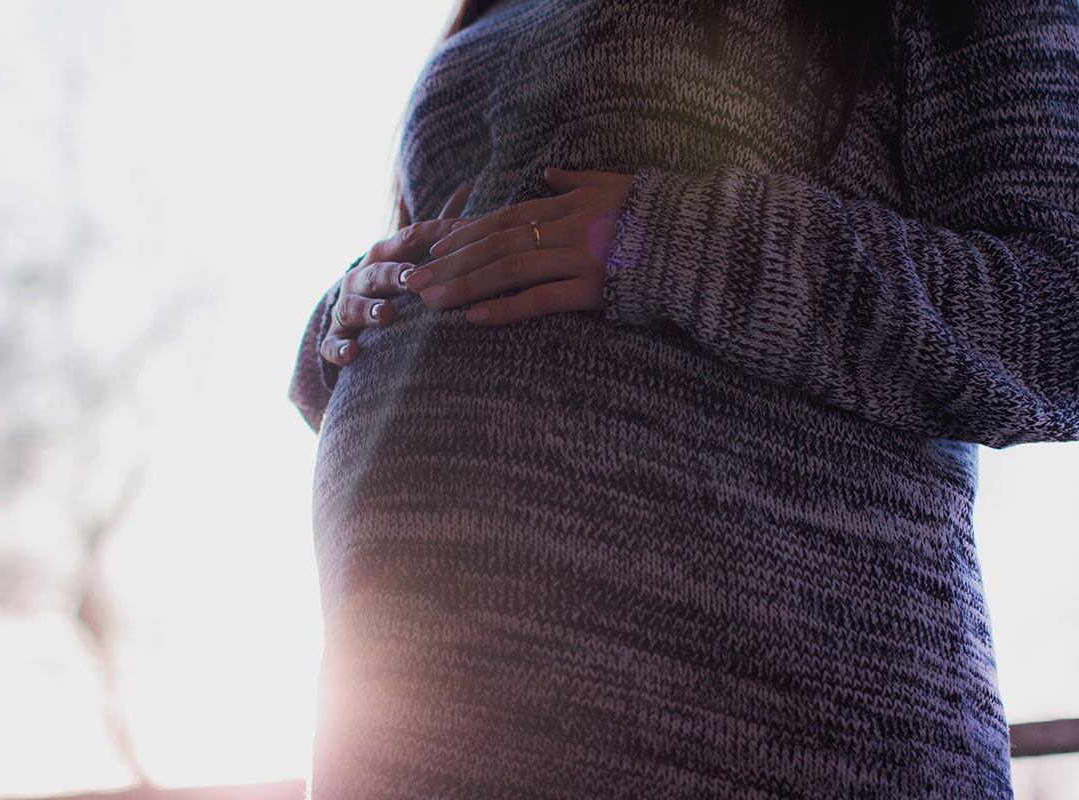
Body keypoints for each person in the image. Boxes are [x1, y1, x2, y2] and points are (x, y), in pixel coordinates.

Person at [290, 0, 1079, 796]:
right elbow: (483, 234)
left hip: (769, 717)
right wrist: (349, 319)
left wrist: (659, 239)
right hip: (415, 700)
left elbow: (1057, 316)